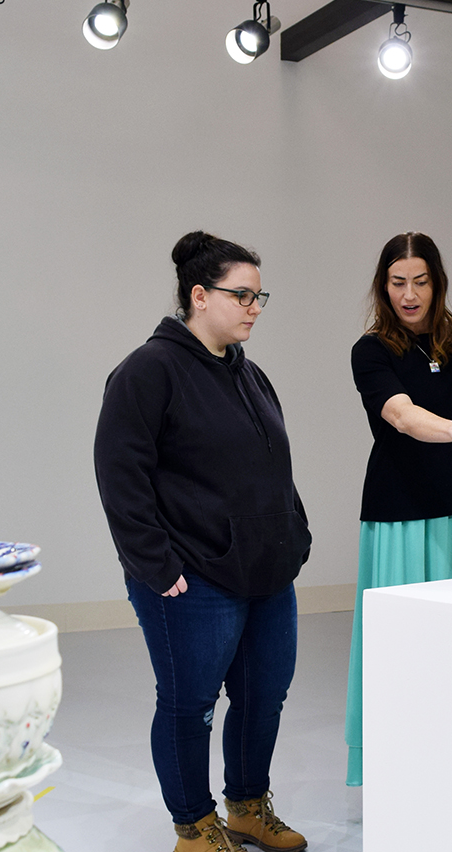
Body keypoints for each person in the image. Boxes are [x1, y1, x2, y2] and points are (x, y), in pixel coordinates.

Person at [95, 231, 311, 852]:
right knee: (190, 705)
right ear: (198, 295)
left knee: (263, 696)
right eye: (241, 295)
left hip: (267, 573)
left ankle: (246, 807)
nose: (253, 307)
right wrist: (155, 565)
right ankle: (193, 826)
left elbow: (273, 467)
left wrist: (293, 535)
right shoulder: (148, 371)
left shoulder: (250, 375)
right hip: (192, 579)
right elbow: (120, 475)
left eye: (259, 296)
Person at [344, 231, 452, 786]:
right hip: (403, 518)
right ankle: (404, 775)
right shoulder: (371, 351)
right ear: (382, 287)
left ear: (437, 284)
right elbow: (403, 416)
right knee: (409, 658)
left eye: (420, 282)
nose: (409, 295)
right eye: (397, 283)